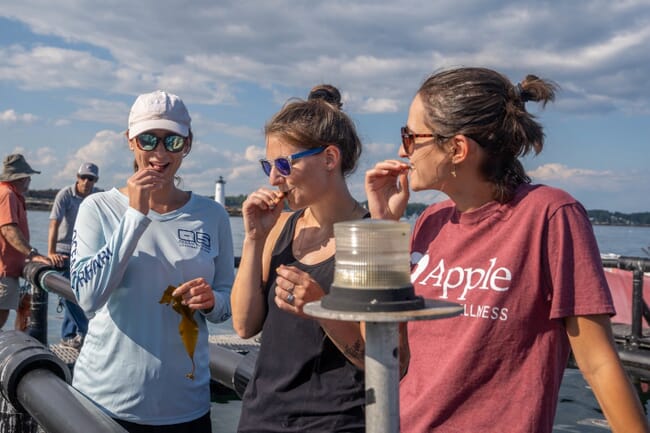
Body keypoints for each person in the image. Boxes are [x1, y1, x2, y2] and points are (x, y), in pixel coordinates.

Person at [365, 67, 650, 433]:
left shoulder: (550, 215)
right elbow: (390, 349)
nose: (400, 151)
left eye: (409, 137)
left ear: (457, 148)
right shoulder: (429, 222)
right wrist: (383, 230)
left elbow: (597, 362)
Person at [70, 90, 234, 432]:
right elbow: (87, 298)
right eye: (148, 139)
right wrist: (135, 216)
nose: (160, 153)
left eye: (172, 142)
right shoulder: (98, 209)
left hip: (186, 406)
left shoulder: (212, 215)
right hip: (103, 402)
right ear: (130, 141)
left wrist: (212, 300)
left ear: (187, 145)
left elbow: (225, 303)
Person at [232, 85, 372, 433]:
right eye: (269, 164)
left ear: (329, 158)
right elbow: (244, 325)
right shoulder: (279, 227)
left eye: (283, 164)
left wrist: (320, 306)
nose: (273, 178)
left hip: (335, 422)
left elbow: (377, 359)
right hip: (260, 417)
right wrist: (253, 239)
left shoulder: (368, 237)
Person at [48, 162, 101, 349]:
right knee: (68, 295)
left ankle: (69, 335)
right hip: (63, 250)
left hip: (86, 252)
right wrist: (51, 252)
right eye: (83, 177)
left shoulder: (97, 197)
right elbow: (54, 223)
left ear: (95, 181)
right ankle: (86, 331)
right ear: (77, 177)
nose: (86, 181)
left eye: (91, 178)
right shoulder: (65, 195)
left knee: (81, 294)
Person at [0, 154, 50, 330]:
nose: (29, 180)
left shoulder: (7, 193)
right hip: (3, 271)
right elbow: (8, 229)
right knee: (1, 315)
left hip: (8, 269)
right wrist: (32, 254)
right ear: (20, 178)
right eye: (28, 176)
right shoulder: (7, 195)